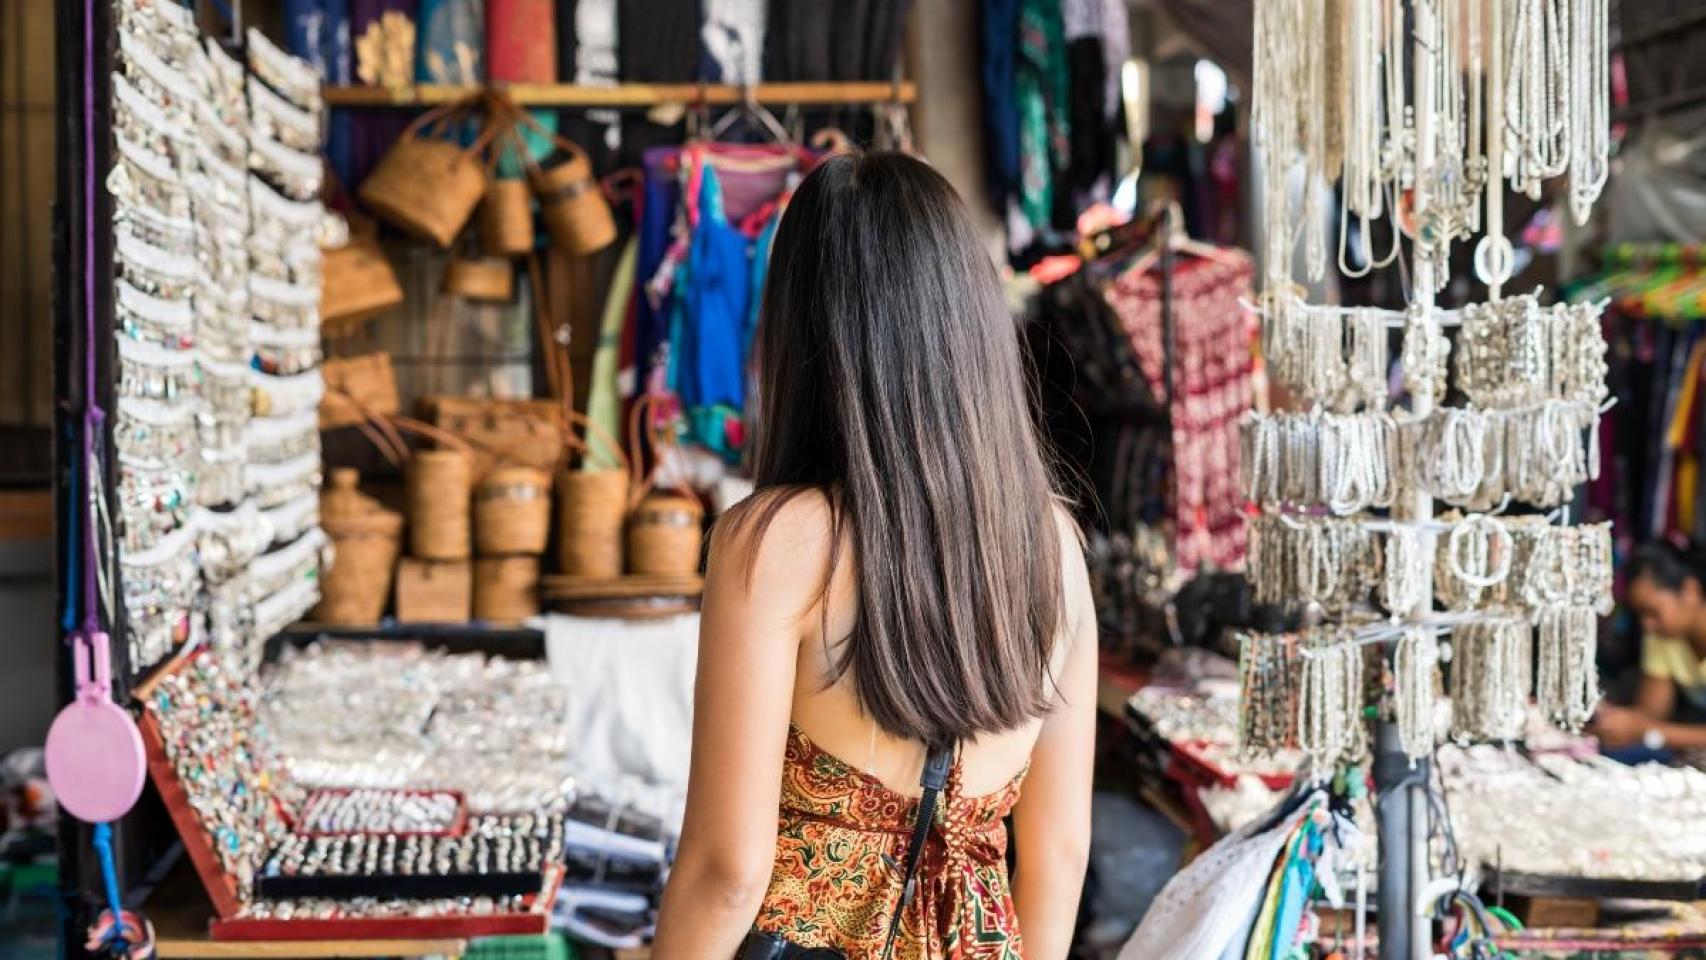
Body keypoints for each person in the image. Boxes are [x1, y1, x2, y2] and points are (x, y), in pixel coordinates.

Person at [650, 152, 1097, 960]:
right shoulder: (1055, 546)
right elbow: (1059, 854)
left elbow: (728, 869)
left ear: (803, 328)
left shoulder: (776, 541)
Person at [1592, 539, 1706, 759]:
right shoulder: (1663, 637)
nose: (1647, 624)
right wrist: (1613, 720)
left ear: (1689, 591)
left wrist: (1648, 732)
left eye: (1652, 611)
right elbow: (1650, 713)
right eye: (1641, 615)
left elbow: (1646, 727)